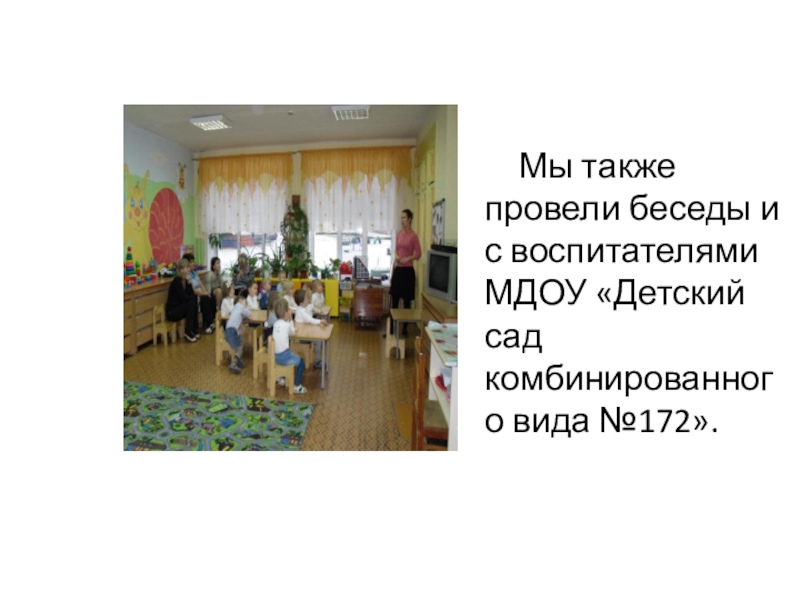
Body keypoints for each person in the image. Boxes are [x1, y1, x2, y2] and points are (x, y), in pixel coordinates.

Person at [388, 208, 421, 336]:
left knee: (407, 302)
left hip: (408, 272)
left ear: (409, 220)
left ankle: (405, 329)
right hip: (398, 270)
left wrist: (408, 258)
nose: (402, 220)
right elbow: (396, 250)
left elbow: (418, 254)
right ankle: (392, 330)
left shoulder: (413, 236)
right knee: (394, 301)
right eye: (401, 218)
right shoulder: (399, 234)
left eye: (404, 218)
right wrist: (397, 256)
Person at [273, 299, 307, 394]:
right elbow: (292, 333)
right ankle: (297, 386)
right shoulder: (287, 324)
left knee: (290, 352)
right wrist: (291, 319)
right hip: (284, 356)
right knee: (301, 362)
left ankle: (282, 378)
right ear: (285, 313)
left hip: (276, 357)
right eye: (288, 310)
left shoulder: (275, 324)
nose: (290, 311)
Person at [166, 258, 199, 342]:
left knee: (193, 301)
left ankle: (193, 330)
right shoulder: (177, 281)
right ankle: (188, 332)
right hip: (172, 312)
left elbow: (190, 294)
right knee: (192, 303)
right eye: (186, 268)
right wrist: (194, 297)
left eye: (188, 267)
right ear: (181, 270)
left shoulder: (185, 279)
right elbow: (184, 297)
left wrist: (189, 283)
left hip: (180, 307)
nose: (189, 269)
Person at [182, 253, 216, 334]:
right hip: (194, 296)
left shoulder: (194, 273)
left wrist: (206, 292)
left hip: (200, 294)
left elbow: (201, 284)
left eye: (193, 261)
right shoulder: (186, 276)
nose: (193, 263)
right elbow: (193, 290)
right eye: (191, 262)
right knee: (205, 299)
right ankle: (207, 324)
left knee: (212, 296)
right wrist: (204, 294)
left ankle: (211, 321)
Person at [295, 288, 329, 368]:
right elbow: (310, 320)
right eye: (306, 299)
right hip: (303, 336)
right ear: (301, 302)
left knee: (318, 338)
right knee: (318, 341)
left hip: (305, 333)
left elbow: (309, 319)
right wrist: (320, 321)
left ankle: (317, 360)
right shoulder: (301, 311)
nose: (308, 300)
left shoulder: (303, 309)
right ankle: (317, 361)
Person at [224, 291, 251, 374]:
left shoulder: (235, 308)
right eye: (245, 303)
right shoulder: (240, 307)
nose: (246, 305)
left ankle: (238, 358)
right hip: (232, 331)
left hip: (229, 330)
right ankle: (234, 363)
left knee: (242, 340)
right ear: (240, 301)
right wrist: (246, 309)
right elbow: (248, 313)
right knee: (239, 348)